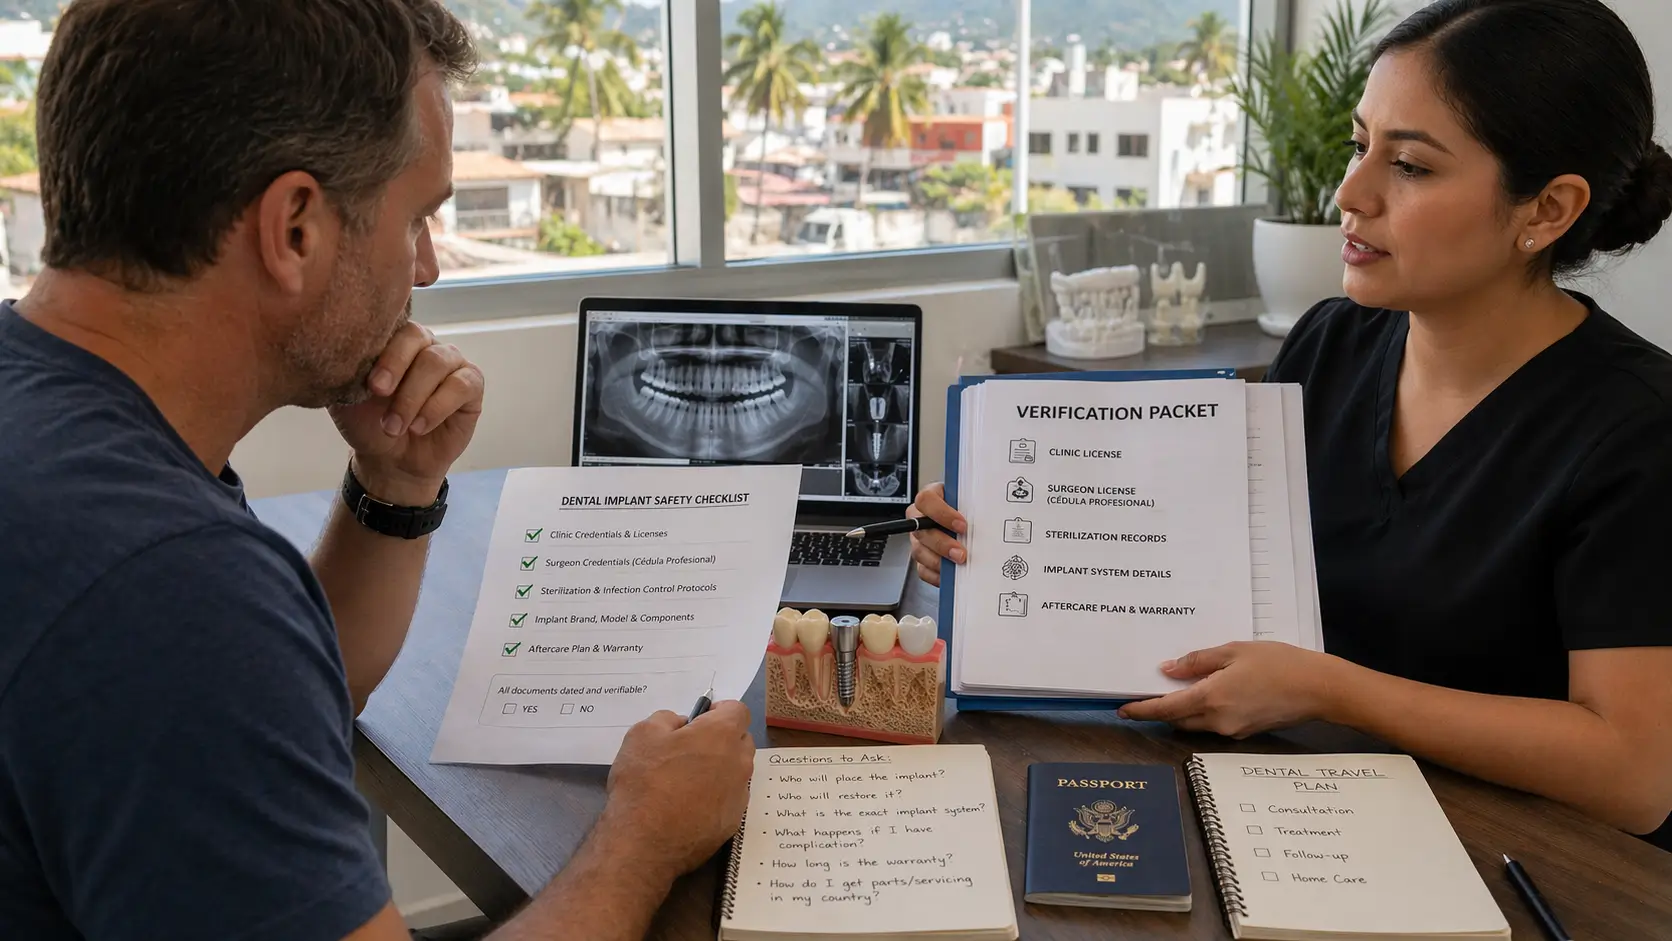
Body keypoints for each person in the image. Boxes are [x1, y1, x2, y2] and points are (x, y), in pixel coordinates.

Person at [0, 3, 753, 940]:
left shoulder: (65, 427)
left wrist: (394, 485)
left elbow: (285, 701)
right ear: (296, 229)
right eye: (418, 218)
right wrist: (645, 834)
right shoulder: (166, 583)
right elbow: (205, 657)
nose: (426, 268)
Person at [909, 0, 1672, 850]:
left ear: (1547, 210)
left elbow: (1634, 775)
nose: (1350, 193)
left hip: (1524, 861)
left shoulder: (1638, 430)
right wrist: (1001, 535)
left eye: (1410, 166)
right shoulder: (1332, 343)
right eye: (1359, 145)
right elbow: (1205, 559)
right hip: (1305, 811)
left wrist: (1331, 690)